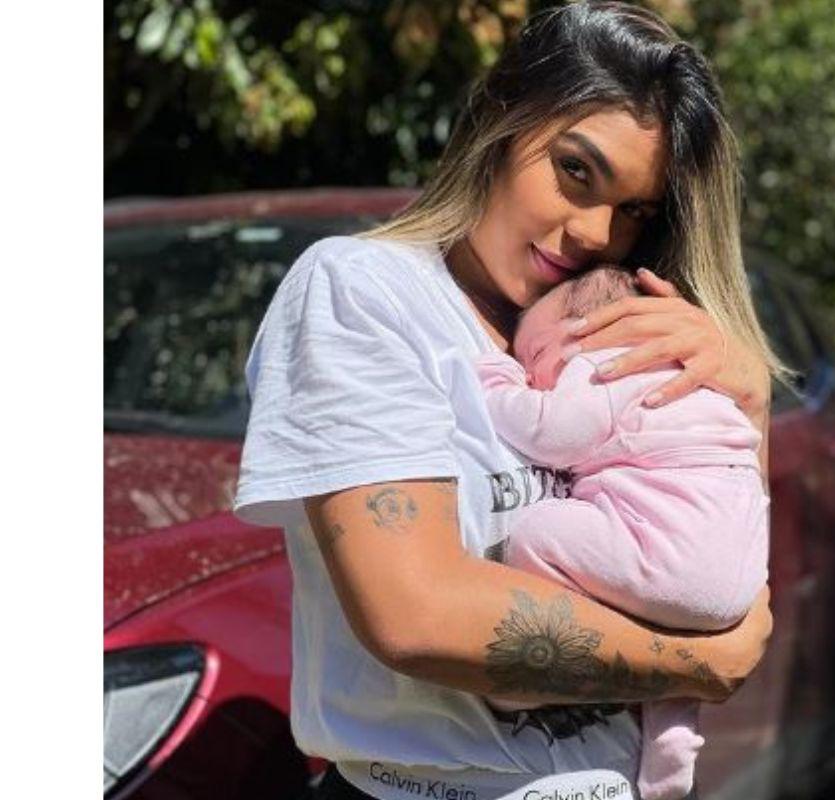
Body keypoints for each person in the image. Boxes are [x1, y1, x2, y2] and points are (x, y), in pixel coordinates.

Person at [234, 3, 792, 798]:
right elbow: (416, 614)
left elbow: (726, 584)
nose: (597, 233)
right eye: (576, 171)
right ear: (500, 120)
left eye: (635, 210)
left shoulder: (618, 326)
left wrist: (747, 398)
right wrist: (694, 663)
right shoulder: (367, 293)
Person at [474, 266, 771, 800]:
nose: (530, 374)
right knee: (671, 639)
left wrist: (498, 384)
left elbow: (551, 434)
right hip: (737, 584)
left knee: (537, 531)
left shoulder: (603, 369)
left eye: (533, 355)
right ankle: (671, 758)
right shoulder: (699, 382)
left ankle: (527, 689)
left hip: (670, 556)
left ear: (584, 337)